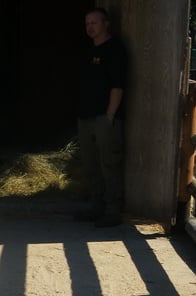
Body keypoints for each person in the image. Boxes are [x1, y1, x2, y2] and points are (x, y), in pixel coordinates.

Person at [76, 7, 127, 228]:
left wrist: (109, 115)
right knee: (91, 164)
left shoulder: (115, 50)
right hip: (85, 117)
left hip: (104, 118)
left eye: (94, 23)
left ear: (106, 24)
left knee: (110, 163)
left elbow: (118, 86)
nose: (90, 27)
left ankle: (113, 210)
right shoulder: (88, 51)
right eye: (87, 23)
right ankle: (96, 205)